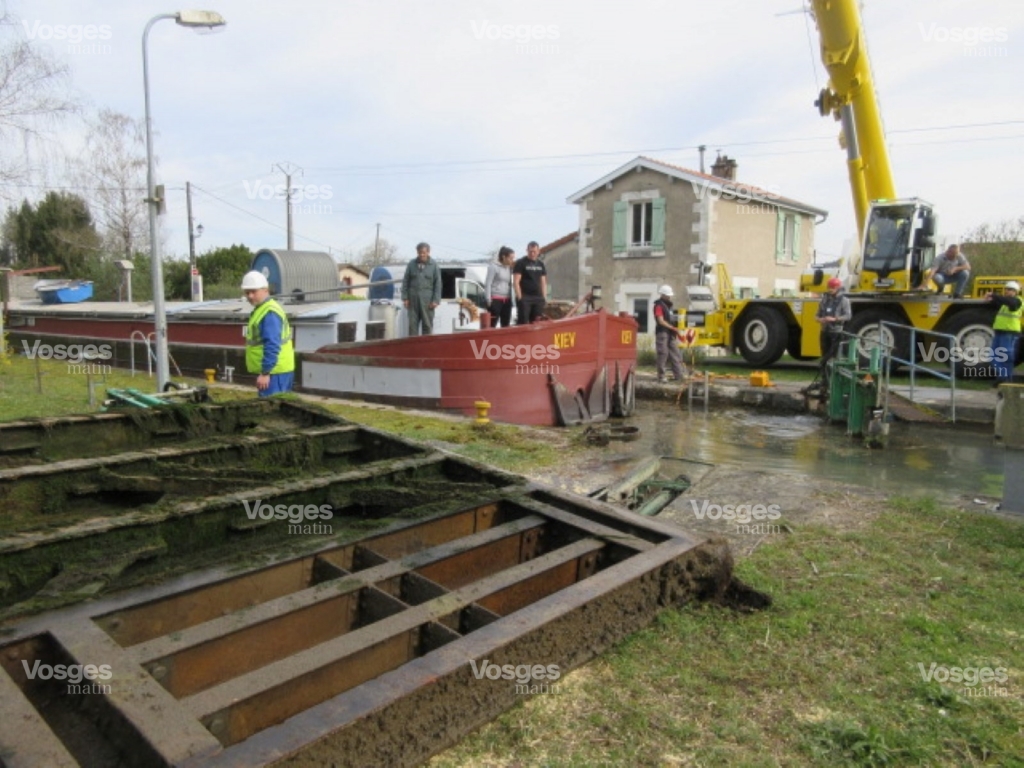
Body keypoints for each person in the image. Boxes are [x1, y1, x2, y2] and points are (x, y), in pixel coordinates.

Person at [241, 271, 295, 397]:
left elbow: (272, 344)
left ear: (265, 290)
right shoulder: (263, 309)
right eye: (247, 292)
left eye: (253, 292)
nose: (250, 296)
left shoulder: (269, 312)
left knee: (271, 411)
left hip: (274, 372)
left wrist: (265, 373)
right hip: (277, 371)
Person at [401, 242, 442, 336]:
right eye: (419, 253)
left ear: (428, 252)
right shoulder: (411, 264)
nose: (421, 255)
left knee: (427, 326)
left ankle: (426, 349)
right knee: (412, 326)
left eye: (424, 253)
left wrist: (435, 300)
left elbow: (438, 284)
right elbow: (406, 281)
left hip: (427, 302)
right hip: (413, 301)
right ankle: (413, 349)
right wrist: (405, 297)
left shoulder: (434, 265)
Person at [986, 279, 1021, 386]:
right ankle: (1003, 376)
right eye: (1006, 289)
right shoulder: (1004, 302)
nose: (1007, 291)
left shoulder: (1017, 301)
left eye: (1010, 290)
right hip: (1000, 332)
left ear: (1015, 292)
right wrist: (990, 298)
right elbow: (996, 303)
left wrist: (994, 295)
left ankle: (1006, 379)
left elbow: (1012, 304)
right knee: (993, 356)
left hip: (1009, 332)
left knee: (1006, 357)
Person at [653, 285, 686, 383]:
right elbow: (660, 321)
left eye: (669, 295)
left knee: (676, 353)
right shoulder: (658, 306)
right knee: (663, 354)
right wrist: (672, 328)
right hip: (662, 333)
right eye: (667, 295)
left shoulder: (668, 306)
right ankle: (661, 376)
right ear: (662, 294)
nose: (669, 297)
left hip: (671, 333)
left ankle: (679, 375)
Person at [816, 277, 852, 366]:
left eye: (833, 288)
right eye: (829, 287)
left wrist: (835, 319)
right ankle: (825, 378)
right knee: (824, 355)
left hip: (836, 332)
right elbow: (817, 315)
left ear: (838, 288)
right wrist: (820, 319)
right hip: (824, 331)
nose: (830, 290)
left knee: (832, 356)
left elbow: (848, 316)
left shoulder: (844, 301)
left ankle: (832, 377)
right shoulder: (824, 300)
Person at [513, 241, 547, 324]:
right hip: (525, 298)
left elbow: (543, 282)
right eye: (530, 251)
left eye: (534, 251)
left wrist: (544, 297)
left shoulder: (541, 264)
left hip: (538, 298)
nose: (532, 254)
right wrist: (520, 297)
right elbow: (516, 281)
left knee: (537, 322)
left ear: (538, 251)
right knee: (523, 322)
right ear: (527, 251)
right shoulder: (521, 263)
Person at [485, 246, 515, 328]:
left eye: (513, 258)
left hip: (507, 300)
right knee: (492, 324)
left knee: (506, 325)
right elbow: (488, 283)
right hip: (495, 299)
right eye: (510, 258)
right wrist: (488, 299)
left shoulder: (509, 268)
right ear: (504, 257)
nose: (512, 261)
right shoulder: (493, 267)